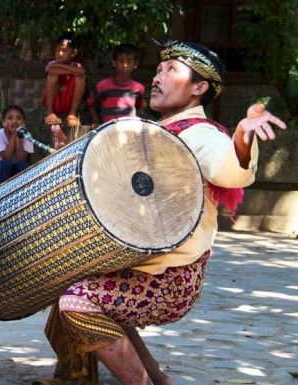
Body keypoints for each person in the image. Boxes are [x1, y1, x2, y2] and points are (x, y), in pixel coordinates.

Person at [35, 39, 286, 385]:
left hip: (171, 278)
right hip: (149, 267)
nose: (158, 77)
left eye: (171, 70)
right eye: (158, 69)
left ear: (199, 88)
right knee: (76, 281)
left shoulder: (201, 134)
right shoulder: (160, 131)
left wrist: (242, 135)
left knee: (79, 302)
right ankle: (144, 377)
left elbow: (229, 169)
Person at [87, 43, 145, 128]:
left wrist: (136, 122)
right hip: (107, 131)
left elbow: (141, 107)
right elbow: (90, 103)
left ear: (135, 64)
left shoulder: (139, 88)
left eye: (129, 61)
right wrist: (96, 122)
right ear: (114, 63)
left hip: (129, 131)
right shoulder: (103, 85)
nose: (125, 65)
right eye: (121, 61)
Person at [42, 35, 86, 131]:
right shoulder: (52, 64)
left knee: (80, 79)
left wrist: (62, 67)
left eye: (64, 51)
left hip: (68, 101)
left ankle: (72, 113)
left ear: (73, 53)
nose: (60, 54)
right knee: (52, 77)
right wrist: (72, 70)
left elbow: (82, 72)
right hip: (55, 101)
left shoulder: (77, 65)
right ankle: (50, 113)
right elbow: (50, 70)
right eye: (57, 51)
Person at [0, 105, 34, 186]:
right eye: (10, 118)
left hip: (15, 171)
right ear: (3, 122)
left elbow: (21, 158)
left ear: (23, 122)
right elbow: (7, 157)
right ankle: (0, 193)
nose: (14, 121)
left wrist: (18, 136)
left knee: (23, 165)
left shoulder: (27, 135)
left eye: (19, 118)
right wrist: (13, 134)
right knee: (6, 163)